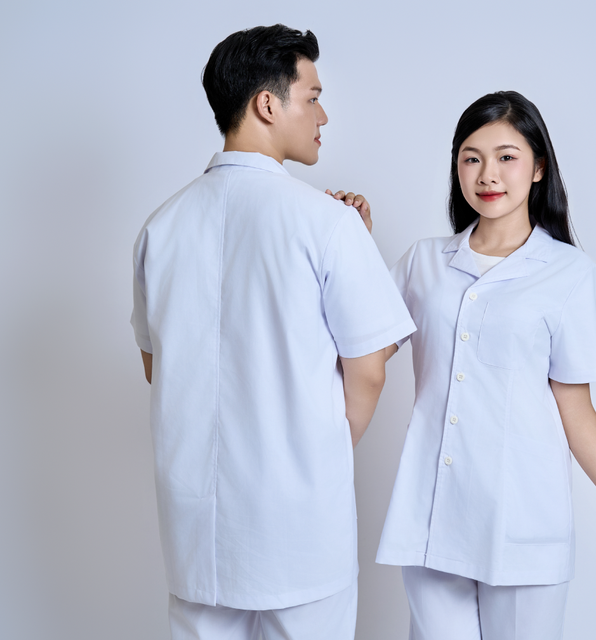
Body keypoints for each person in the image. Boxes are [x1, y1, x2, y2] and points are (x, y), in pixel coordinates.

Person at [375, 91, 596, 640]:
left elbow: (576, 409)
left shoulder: (568, 272)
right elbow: (360, 349)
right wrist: (349, 243)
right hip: (432, 516)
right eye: (471, 158)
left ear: (538, 167)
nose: (487, 174)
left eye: (507, 157)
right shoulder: (422, 263)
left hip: (523, 521)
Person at [129, 25, 415, 640]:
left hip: (195, 528)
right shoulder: (326, 223)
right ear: (267, 103)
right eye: (312, 97)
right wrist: (318, 451)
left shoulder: (160, 226)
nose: (322, 115)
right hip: (299, 525)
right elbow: (368, 368)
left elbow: (161, 367)